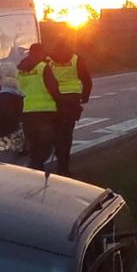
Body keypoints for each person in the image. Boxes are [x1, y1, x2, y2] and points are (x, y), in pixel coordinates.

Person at [47, 39, 94, 176]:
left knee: (56, 130)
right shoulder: (76, 59)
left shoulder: (48, 60)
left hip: (55, 99)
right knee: (67, 132)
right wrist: (85, 96)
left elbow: (45, 79)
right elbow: (86, 79)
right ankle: (63, 165)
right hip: (72, 99)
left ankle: (59, 153)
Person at [16, 42, 64, 172]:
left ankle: (35, 169)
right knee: (45, 144)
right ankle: (37, 167)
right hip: (45, 112)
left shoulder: (20, 69)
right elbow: (53, 88)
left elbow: (17, 89)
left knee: (33, 143)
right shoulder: (43, 67)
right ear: (40, 52)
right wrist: (61, 104)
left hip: (27, 111)